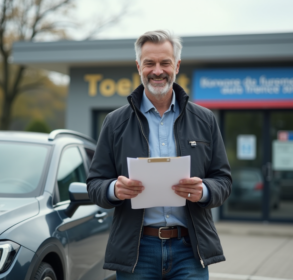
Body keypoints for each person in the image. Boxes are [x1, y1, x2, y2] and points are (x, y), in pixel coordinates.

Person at [87, 30, 232, 280]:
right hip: (137, 252)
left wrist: (204, 191)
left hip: (190, 250)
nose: (157, 70)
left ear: (176, 65)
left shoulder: (205, 119)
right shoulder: (114, 122)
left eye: (165, 62)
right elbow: (95, 184)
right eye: (149, 63)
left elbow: (224, 180)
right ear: (138, 66)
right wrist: (114, 189)